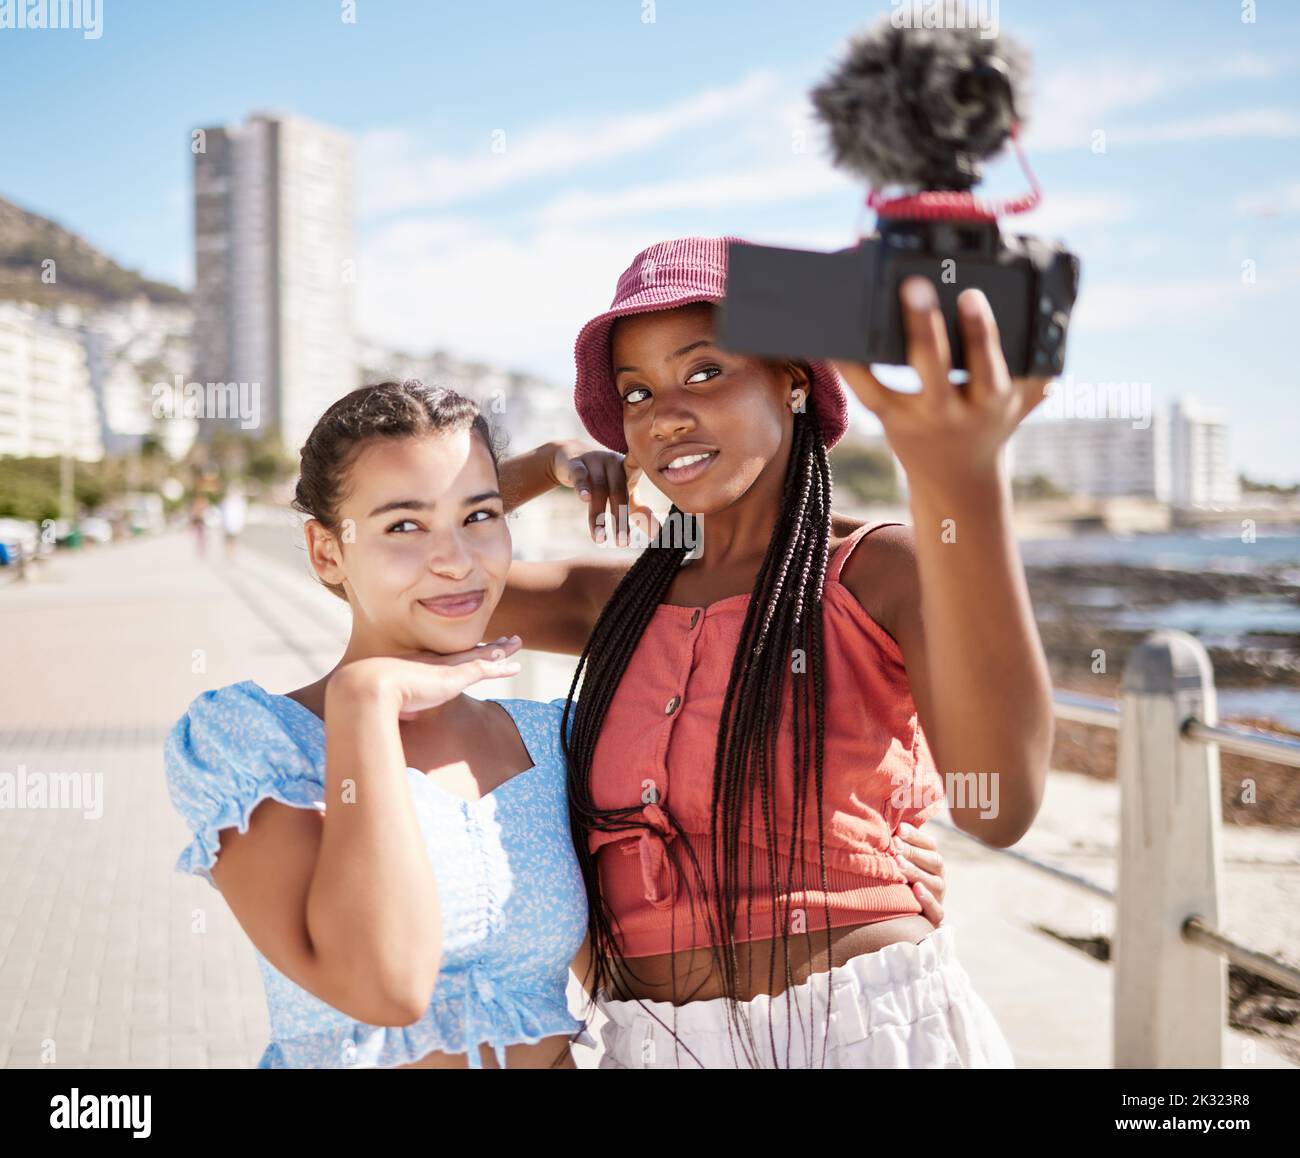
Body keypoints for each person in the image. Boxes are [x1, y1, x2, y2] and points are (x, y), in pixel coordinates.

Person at [484, 235, 1054, 1067]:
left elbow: (999, 806)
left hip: (867, 1035)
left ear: (792, 381)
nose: (663, 414)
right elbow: (389, 580)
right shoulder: (612, 600)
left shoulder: (877, 570)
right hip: (652, 1047)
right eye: (635, 393)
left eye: (705, 371)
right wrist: (544, 464)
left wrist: (966, 480)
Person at [163, 382, 595, 1068]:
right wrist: (366, 699)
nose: (455, 559)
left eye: (480, 515)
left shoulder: (553, 740)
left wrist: (552, 462)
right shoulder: (252, 743)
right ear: (327, 552)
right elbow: (385, 987)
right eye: (402, 526)